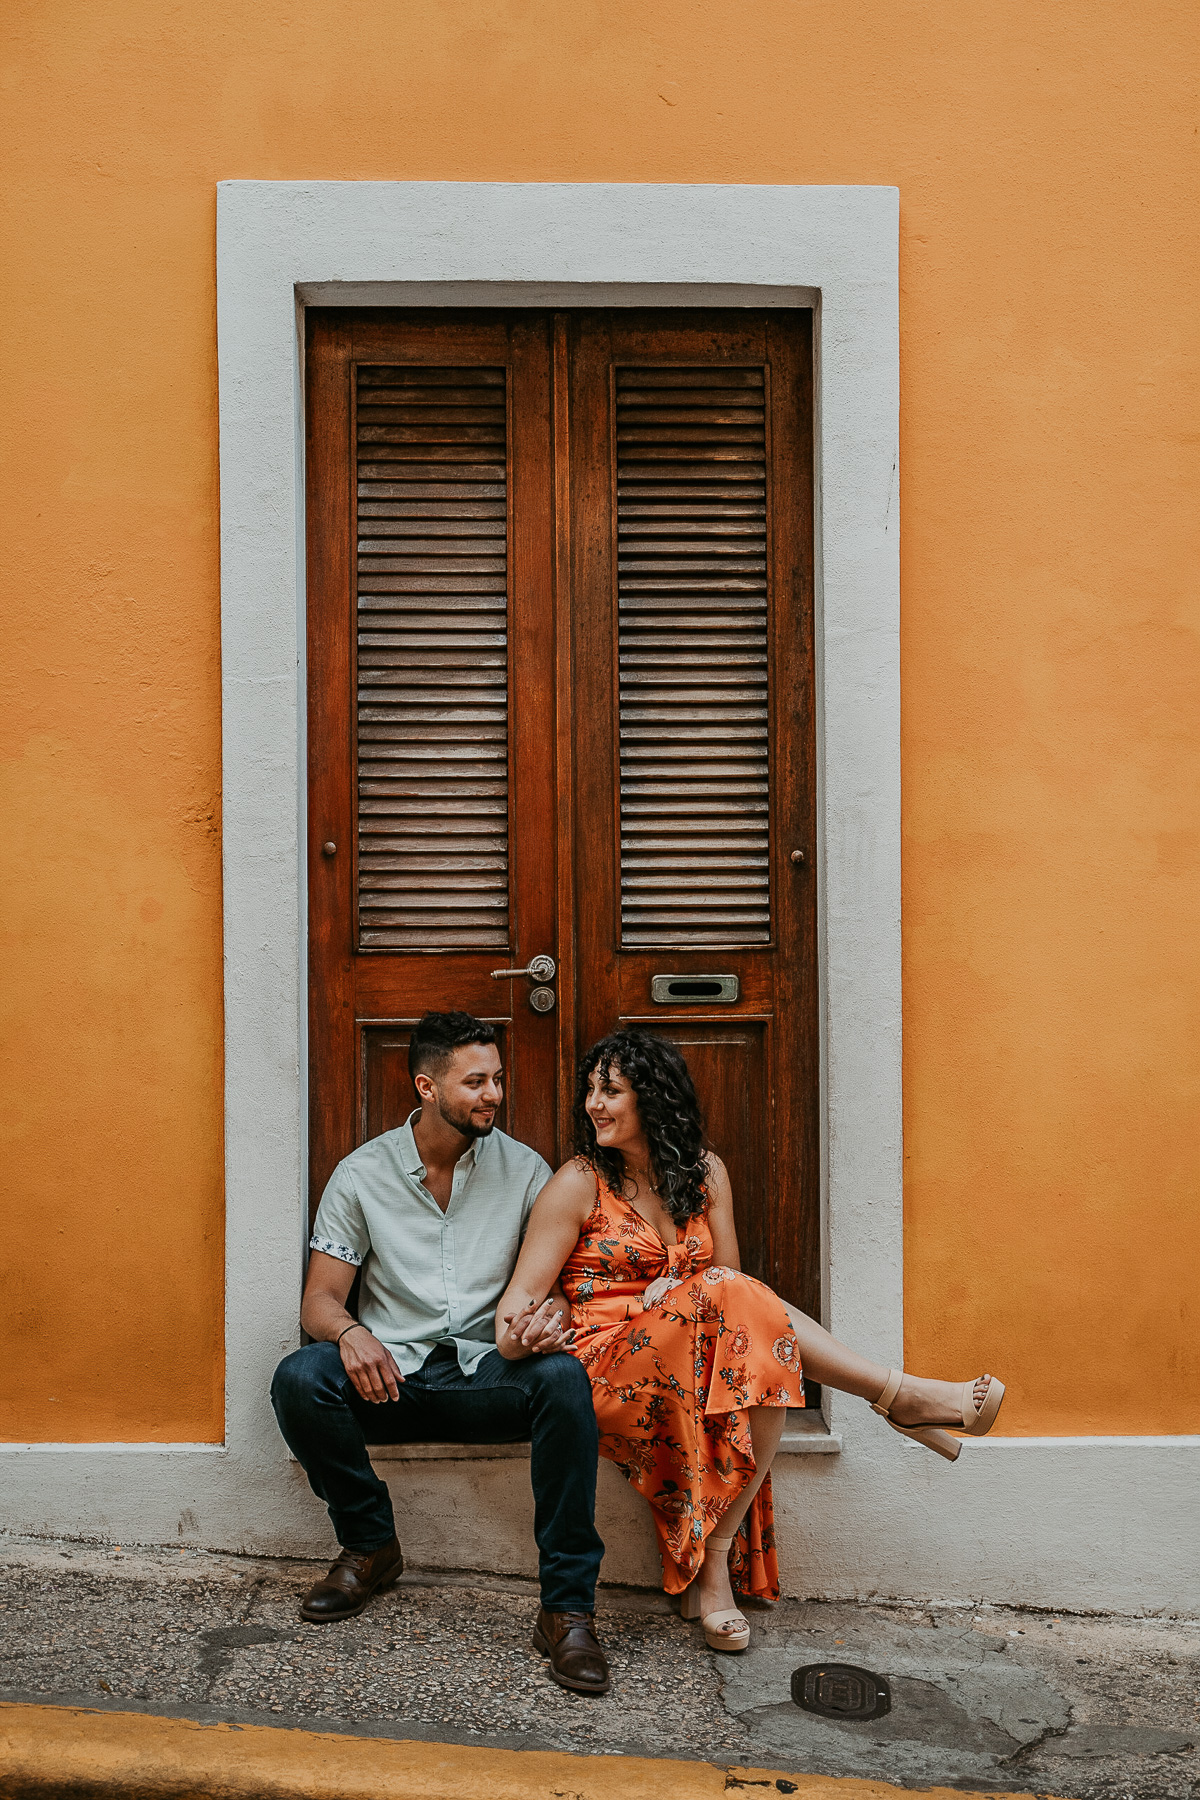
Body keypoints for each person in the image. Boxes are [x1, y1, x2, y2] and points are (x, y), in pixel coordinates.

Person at [496, 1028, 1004, 1655]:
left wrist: (681, 1295)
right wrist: (543, 1329)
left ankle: (714, 1559)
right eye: (591, 1091)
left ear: (653, 1100)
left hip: (700, 1364)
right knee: (732, 1298)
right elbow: (509, 1323)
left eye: (611, 1091)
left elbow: (737, 1296)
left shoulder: (705, 1174)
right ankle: (898, 1395)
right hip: (607, 1373)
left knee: (747, 1320)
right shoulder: (579, 1181)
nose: (593, 1105)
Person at [271, 1012, 610, 1696]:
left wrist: (550, 1319)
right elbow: (319, 1302)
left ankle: (566, 1610)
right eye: (476, 1081)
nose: (494, 1095)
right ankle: (370, 1547)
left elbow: (556, 1287)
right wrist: (348, 1333)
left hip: (490, 1375)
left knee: (565, 1381)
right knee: (299, 1378)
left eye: (499, 1079)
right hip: (389, 1381)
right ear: (427, 1087)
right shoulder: (362, 1174)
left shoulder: (525, 1172)